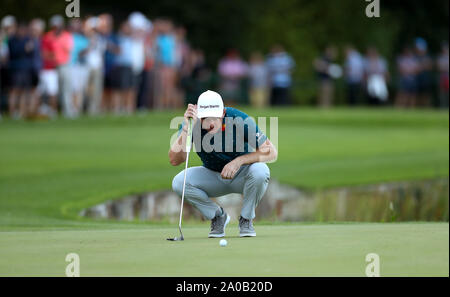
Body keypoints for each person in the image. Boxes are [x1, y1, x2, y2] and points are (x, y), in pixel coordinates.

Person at [169, 90, 277, 238]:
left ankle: (246, 219)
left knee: (261, 171)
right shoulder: (192, 122)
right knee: (179, 182)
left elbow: (271, 152)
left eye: (214, 117)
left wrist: (238, 162)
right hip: (212, 176)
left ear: (223, 113)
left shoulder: (239, 118)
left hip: (242, 175)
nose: (210, 123)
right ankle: (217, 216)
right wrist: (185, 131)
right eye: (205, 117)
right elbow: (175, 160)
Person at [38, 15, 73, 117]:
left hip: (64, 65)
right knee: (51, 90)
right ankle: (51, 110)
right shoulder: (48, 36)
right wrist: (52, 57)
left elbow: (68, 50)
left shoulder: (66, 35)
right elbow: (44, 53)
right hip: (51, 66)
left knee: (65, 89)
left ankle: (67, 110)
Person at [7, 23, 34, 118]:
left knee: (24, 91)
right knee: (14, 90)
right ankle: (12, 112)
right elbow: (13, 52)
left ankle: (22, 112)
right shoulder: (12, 40)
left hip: (26, 69)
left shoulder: (27, 39)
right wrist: (24, 48)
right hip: (16, 69)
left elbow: (31, 53)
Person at [414, 38, 433, 107]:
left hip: (425, 77)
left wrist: (422, 67)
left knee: (426, 94)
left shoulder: (427, 57)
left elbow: (430, 66)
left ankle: (426, 107)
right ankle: (418, 107)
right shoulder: (415, 57)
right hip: (417, 78)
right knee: (417, 94)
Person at [437, 42, 449, 108]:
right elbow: (439, 67)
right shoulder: (440, 57)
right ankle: (442, 106)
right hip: (442, 76)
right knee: (442, 92)